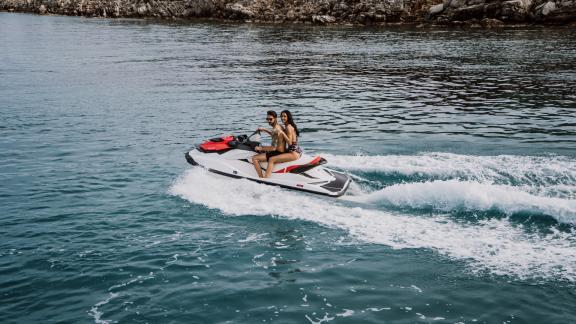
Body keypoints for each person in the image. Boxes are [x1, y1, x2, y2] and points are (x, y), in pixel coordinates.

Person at [263, 110, 302, 179]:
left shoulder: (288, 128)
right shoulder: (288, 126)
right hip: (296, 151)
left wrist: (282, 133)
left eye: (284, 116)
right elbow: (275, 134)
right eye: (281, 116)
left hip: (293, 153)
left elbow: (290, 143)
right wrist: (264, 130)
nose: (282, 118)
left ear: (288, 117)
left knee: (271, 159)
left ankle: (266, 179)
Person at [251, 111, 287, 178]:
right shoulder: (279, 126)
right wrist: (264, 129)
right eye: (267, 119)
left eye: (270, 119)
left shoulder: (276, 129)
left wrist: (260, 148)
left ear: (275, 118)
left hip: (278, 152)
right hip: (281, 150)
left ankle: (261, 178)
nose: (269, 121)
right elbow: (274, 136)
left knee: (254, 158)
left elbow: (273, 148)